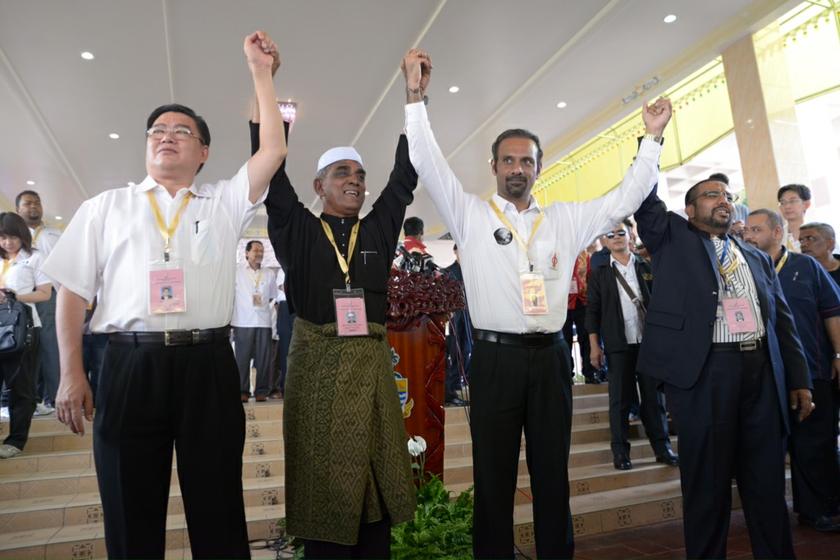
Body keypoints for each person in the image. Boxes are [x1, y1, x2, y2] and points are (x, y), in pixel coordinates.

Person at [401, 48, 671, 558]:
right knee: (494, 477)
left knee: (552, 475)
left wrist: (652, 139)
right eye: (509, 160)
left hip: (550, 360)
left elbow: (625, 198)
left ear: (540, 166)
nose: (518, 168)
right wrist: (416, 97)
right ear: (495, 166)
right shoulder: (470, 215)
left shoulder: (566, 219)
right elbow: (428, 163)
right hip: (495, 360)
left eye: (527, 159)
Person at [44, 31, 287, 558]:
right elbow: (71, 292)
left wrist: (261, 73)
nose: (166, 136)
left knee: (218, 504)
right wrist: (70, 372)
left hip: (207, 365)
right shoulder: (105, 207)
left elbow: (273, 149)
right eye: (157, 130)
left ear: (204, 152)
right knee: (130, 510)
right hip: (129, 368)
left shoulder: (223, 202)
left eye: (182, 131)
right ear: (146, 145)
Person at [259, 83, 417, 559]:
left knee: (375, 469)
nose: (355, 180)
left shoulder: (378, 228)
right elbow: (271, 175)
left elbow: (405, 176)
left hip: (370, 367)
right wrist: (269, 95)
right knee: (323, 475)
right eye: (342, 172)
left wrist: (414, 100)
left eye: (360, 174)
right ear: (319, 186)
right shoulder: (299, 228)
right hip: (317, 372)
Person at [634, 178, 813, 558]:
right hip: (706, 374)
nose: (724, 201)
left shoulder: (755, 256)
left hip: (761, 374)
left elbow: (783, 322)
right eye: (712, 195)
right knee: (707, 488)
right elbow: (644, 199)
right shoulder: (672, 239)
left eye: (728, 197)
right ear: (689, 208)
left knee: (766, 484)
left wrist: (798, 380)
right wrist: (652, 137)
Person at [743, 209, 840, 532]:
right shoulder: (742, 270)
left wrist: (838, 353)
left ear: (777, 231)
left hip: (812, 370)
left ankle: (819, 509)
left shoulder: (805, 266)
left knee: (816, 442)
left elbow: (831, 311)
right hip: (767, 375)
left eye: (756, 229)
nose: (749, 236)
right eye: (747, 230)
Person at [586, 222, 677, 470]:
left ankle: (663, 448)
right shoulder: (600, 273)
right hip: (618, 344)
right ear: (604, 241)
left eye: (621, 233)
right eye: (610, 234)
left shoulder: (647, 266)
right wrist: (595, 346)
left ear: (631, 235)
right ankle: (620, 452)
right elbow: (592, 312)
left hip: (649, 343)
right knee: (619, 400)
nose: (616, 237)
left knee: (653, 398)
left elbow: (662, 304)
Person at [0, 213, 52, 459]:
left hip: (25, 327)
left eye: (12, 236)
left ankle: (16, 440)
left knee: (21, 387)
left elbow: (44, 294)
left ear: (22, 235)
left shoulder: (35, 258)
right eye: (2, 237)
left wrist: (14, 296)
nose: (7, 242)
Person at [16, 190, 61, 416]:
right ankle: (29, 399)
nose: (33, 206)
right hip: (20, 297)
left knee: (50, 345)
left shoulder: (55, 234)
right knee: (24, 347)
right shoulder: (11, 238)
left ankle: (55, 397)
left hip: (48, 295)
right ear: (18, 210)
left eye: (37, 202)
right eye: (27, 203)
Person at [232, 240, 278, 402]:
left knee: (264, 358)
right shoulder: (236, 272)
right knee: (242, 359)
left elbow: (272, 295)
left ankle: (261, 391)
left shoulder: (269, 273)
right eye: (255, 250)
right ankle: (242, 390)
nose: (259, 254)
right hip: (242, 321)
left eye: (261, 251)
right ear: (246, 253)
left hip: (263, 321)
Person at [444, 244, 471, 406]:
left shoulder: (471, 270)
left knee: (467, 348)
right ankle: (452, 386)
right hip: (455, 316)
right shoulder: (449, 271)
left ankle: (462, 380)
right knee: (456, 351)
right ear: (455, 252)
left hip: (470, 315)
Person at [800, 222, 840, 286]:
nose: (803, 245)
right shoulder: (798, 272)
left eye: (810, 239)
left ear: (830, 243)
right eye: (801, 240)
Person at [777, 183, 812, 251]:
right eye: (783, 202)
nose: (787, 206)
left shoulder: (819, 232)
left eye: (792, 201)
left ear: (807, 204)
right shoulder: (777, 235)